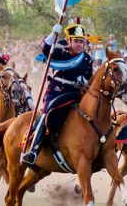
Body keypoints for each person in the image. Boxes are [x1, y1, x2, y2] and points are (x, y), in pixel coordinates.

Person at [21, 17, 93, 165]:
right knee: (48, 114)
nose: (79, 44)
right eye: (76, 41)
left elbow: (90, 79)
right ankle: (34, 149)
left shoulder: (87, 59)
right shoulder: (60, 51)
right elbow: (46, 50)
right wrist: (52, 35)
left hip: (76, 94)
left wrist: (85, 82)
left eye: (81, 41)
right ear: (69, 41)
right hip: (57, 91)